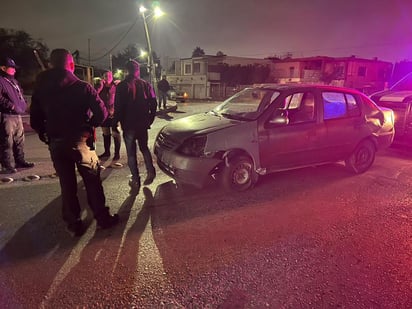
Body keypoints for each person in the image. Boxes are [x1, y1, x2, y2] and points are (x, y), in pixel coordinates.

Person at [30, 49, 118, 236]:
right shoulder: (82, 87)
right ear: (71, 64)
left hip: (56, 142)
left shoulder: (41, 89)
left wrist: (45, 134)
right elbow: (102, 115)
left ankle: (74, 223)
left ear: (52, 64)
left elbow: (35, 121)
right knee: (92, 180)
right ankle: (102, 218)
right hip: (81, 141)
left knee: (67, 184)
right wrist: (89, 126)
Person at [114, 60, 157, 192]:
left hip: (129, 125)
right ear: (137, 70)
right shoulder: (145, 85)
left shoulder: (122, 86)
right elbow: (154, 102)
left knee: (131, 153)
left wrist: (115, 122)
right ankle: (150, 171)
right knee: (144, 147)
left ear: (126, 70)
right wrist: (150, 119)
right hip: (142, 124)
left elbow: (118, 107)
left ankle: (135, 179)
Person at [0, 56, 34, 174]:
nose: (14, 70)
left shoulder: (14, 81)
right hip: (6, 115)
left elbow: (21, 94)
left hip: (17, 115)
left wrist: (24, 105)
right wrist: (12, 106)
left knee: (19, 139)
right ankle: (7, 165)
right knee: (6, 141)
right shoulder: (1, 81)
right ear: (3, 68)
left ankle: (20, 161)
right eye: (11, 67)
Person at [95, 70, 121, 160]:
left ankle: (117, 154)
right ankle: (107, 152)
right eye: (105, 76)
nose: (107, 78)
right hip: (104, 113)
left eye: (109, 76)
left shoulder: (116, 86)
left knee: (115, 133)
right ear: (103, 77)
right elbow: (94, 94)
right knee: (106, 133)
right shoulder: (100, 86)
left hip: (114, 113)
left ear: (112, 76)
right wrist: (100, 86)